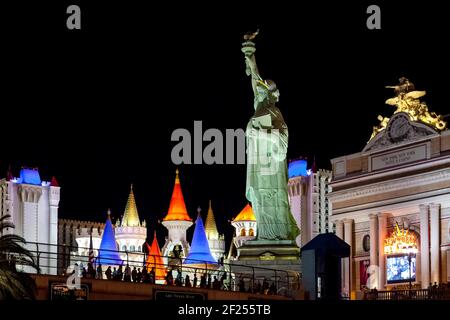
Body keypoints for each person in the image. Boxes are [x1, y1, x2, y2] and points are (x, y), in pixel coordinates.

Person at [242, 35, 299, 241]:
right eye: (258, 93)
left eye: (262, 93)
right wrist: (250, 57)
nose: (258, 94)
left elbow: (282, 139)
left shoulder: (275, 114)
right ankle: (263, 235)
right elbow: (254, 80)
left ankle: (278, 236)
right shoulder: (259, 109)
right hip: (259, 165)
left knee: (274, 199)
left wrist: (261, 133)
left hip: (272, 168)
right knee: (258, 196)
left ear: (270, 95)